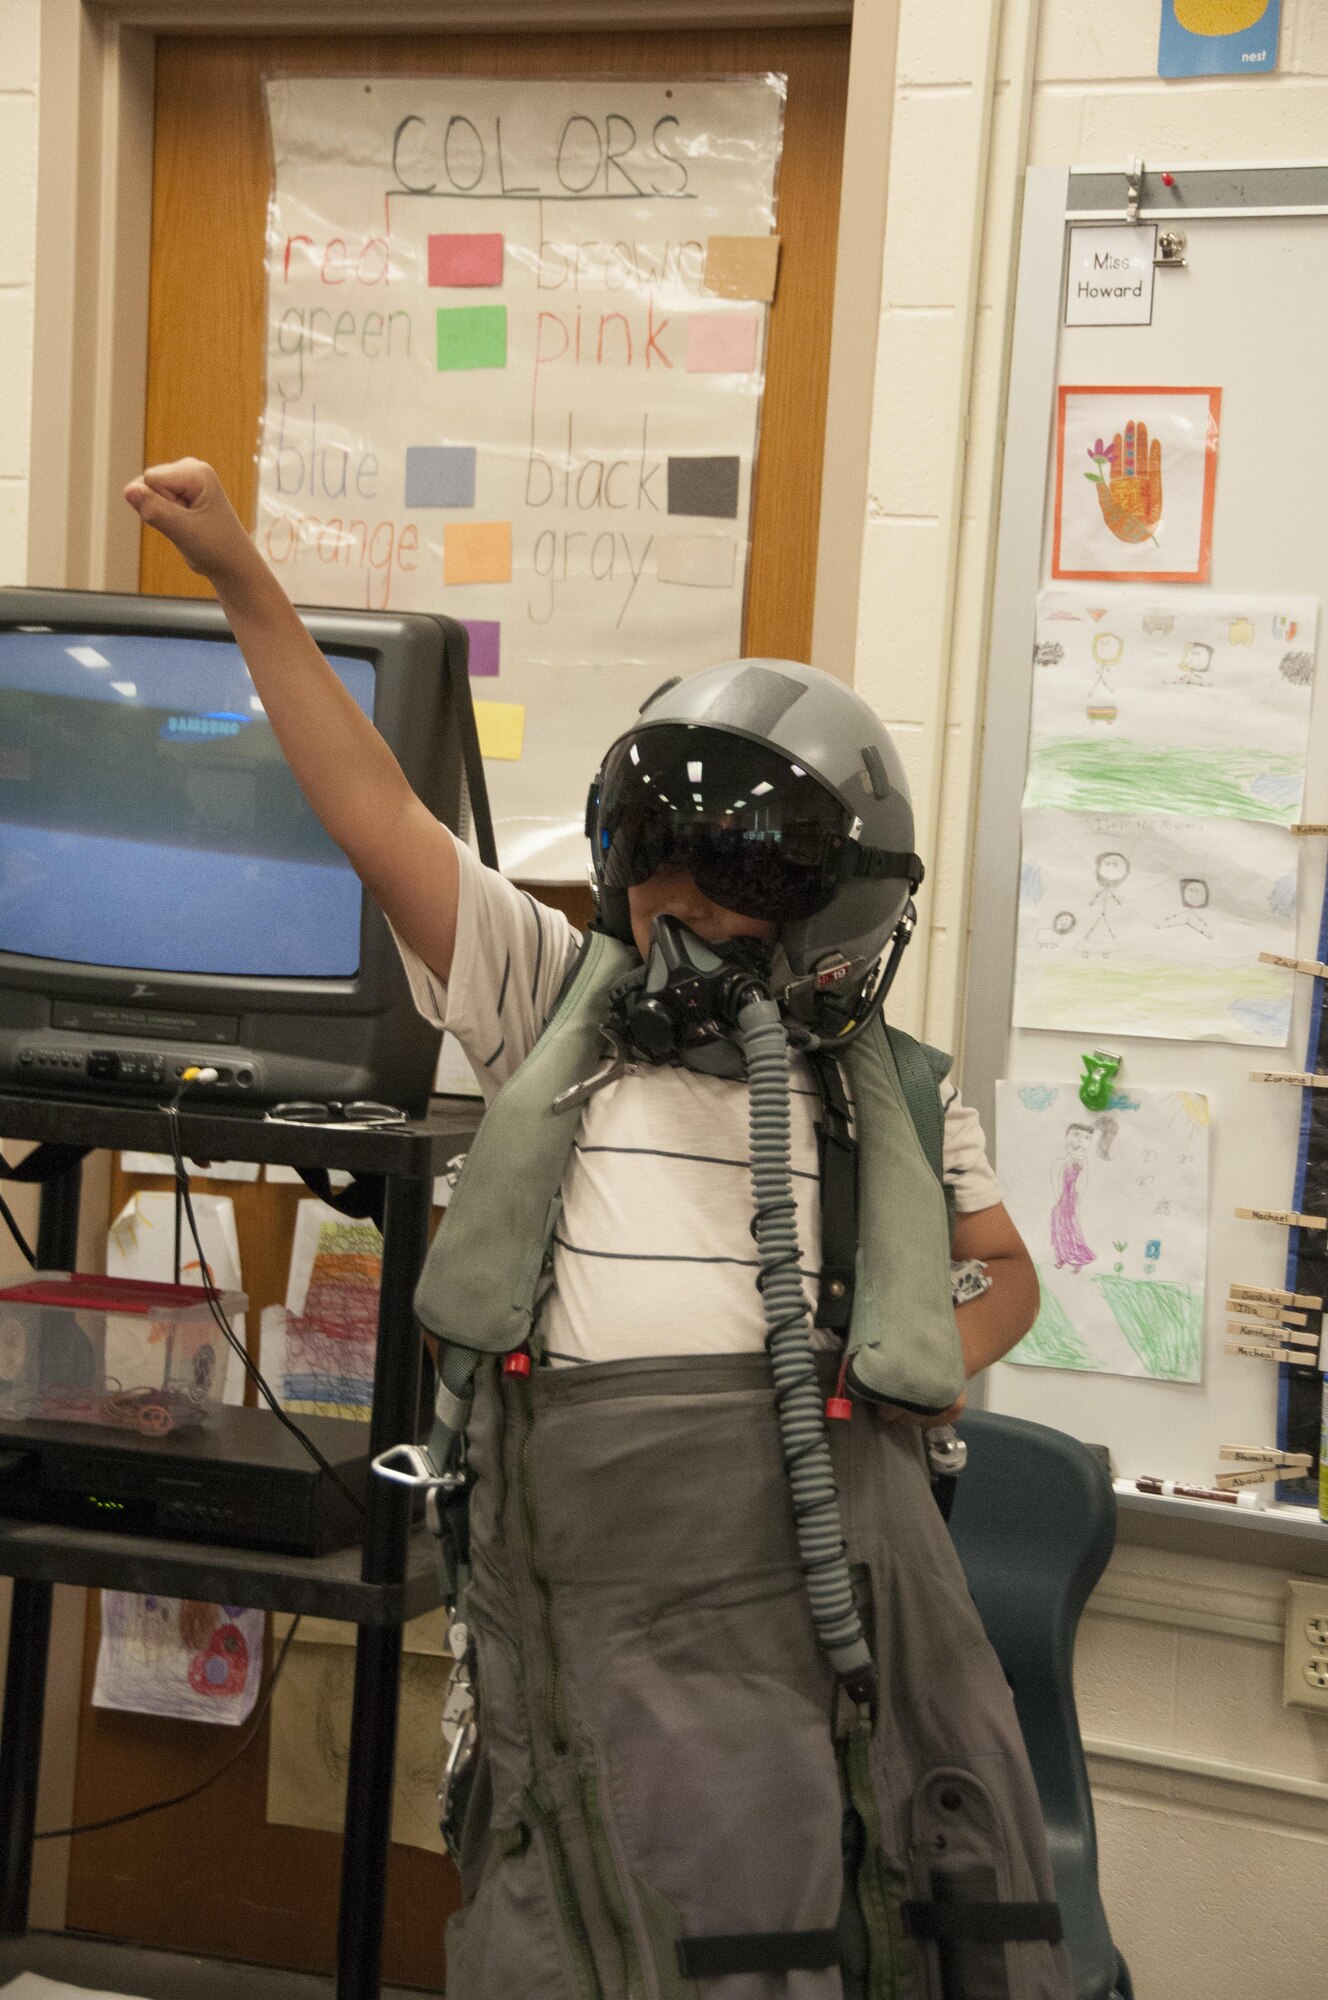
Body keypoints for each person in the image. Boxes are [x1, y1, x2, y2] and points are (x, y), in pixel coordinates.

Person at [125, 458, 1071, 2000]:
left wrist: (916, 1367)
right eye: (657, 905)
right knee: (574, 1923)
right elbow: (374, 811)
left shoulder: (877, 1101)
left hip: (796, 1622)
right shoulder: (546, 1001)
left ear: (835, 929)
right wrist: (243, 582)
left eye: (729, 922)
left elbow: (1006, 1270)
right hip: (583, 1613)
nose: (679, 948)